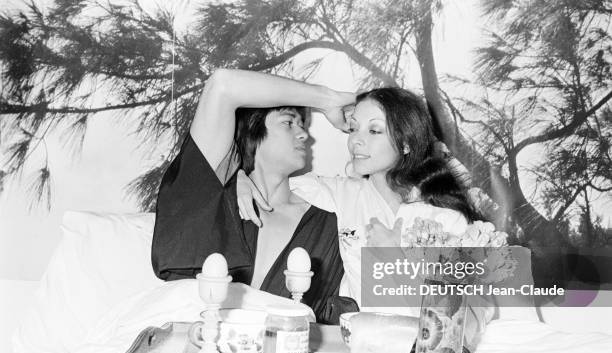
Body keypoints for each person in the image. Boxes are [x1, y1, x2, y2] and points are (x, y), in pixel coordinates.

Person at [238, 85, 482, 308]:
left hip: (421, 350)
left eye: (374, 130)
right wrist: (238, 177)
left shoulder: (447, 219)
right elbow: (267, 179)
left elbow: (462, 317)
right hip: (356, 346)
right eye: (354, 128)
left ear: (407, 142)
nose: (356, 140)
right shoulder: (341, 193)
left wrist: (395, 261)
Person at [151, 69, 358, 324]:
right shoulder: (209, 196)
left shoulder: (329, 225)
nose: (304, 135)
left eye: (302, 125)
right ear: (252, 131)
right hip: (191, 349)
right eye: (288, 123)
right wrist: (327, 100)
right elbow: (223, 85)